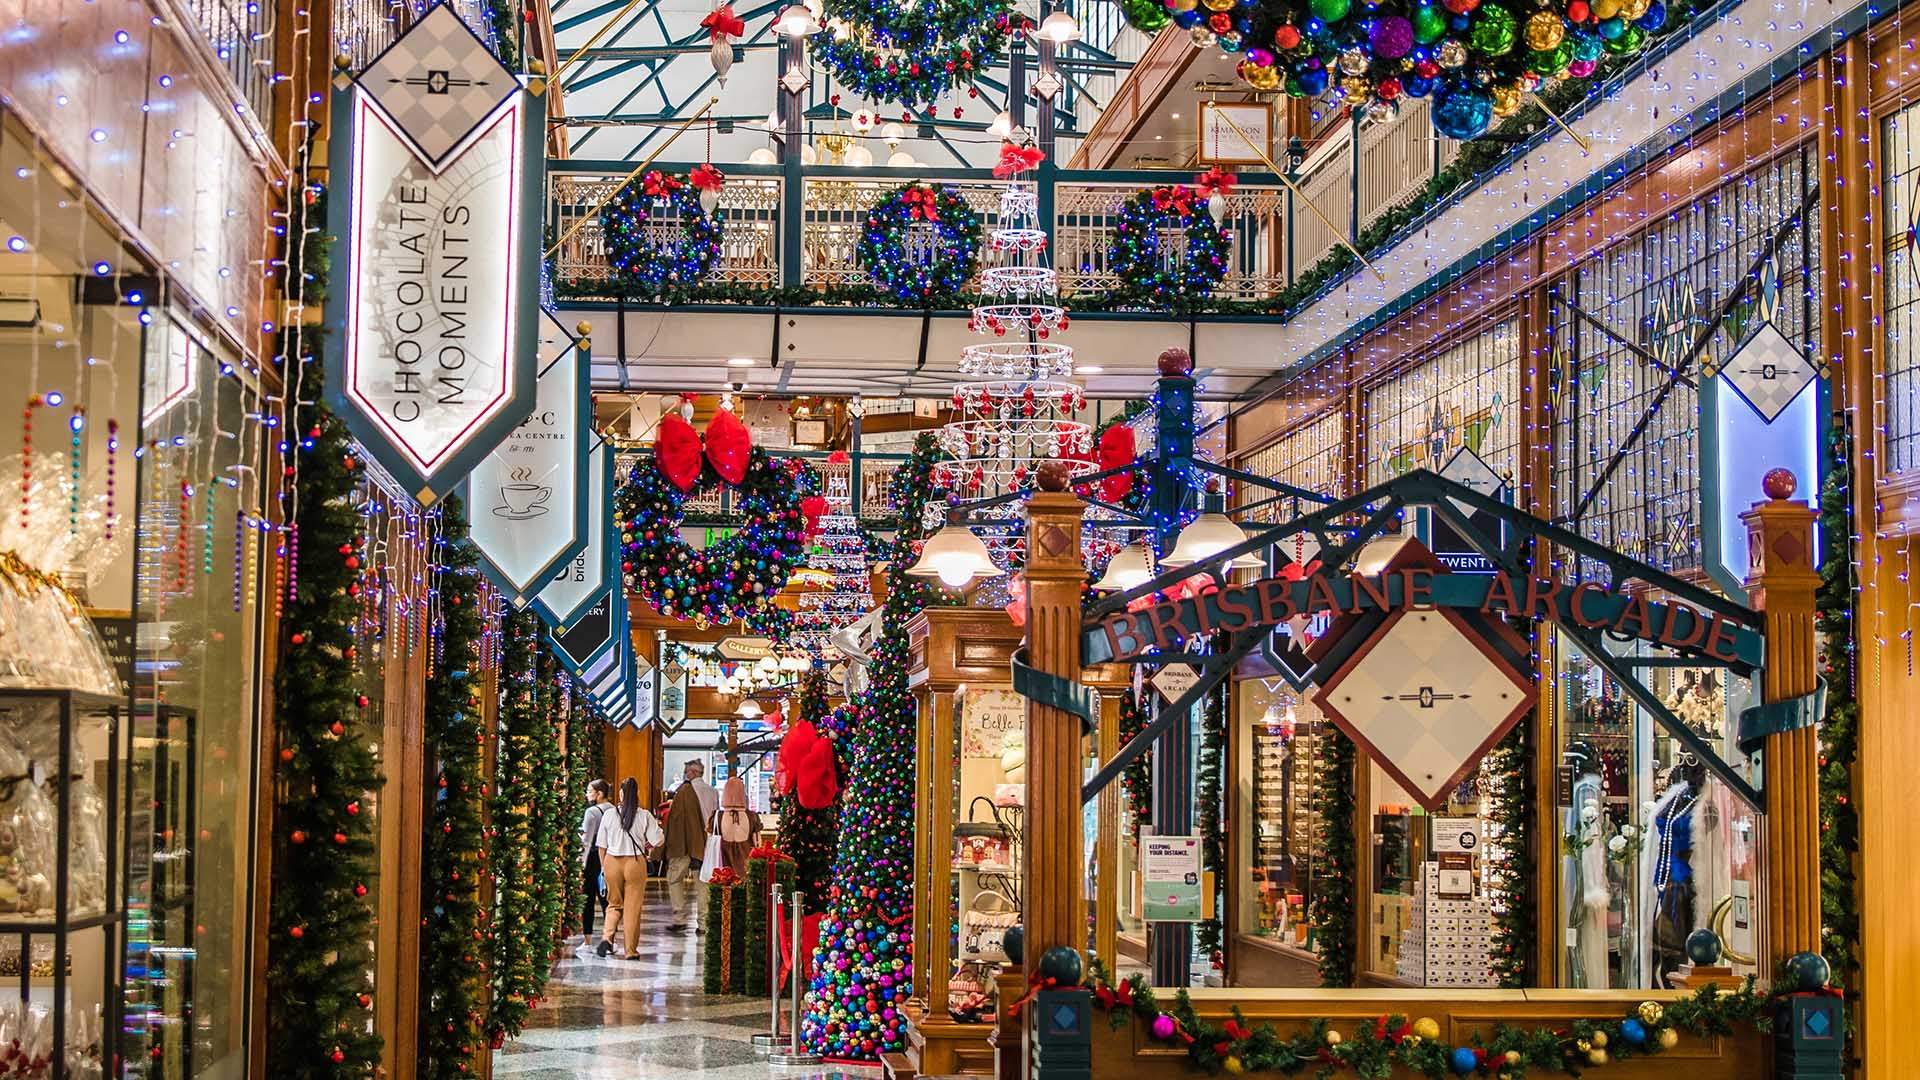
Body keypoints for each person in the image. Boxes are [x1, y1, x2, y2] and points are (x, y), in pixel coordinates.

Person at [595, 777, 664, 959]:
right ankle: (630, 951)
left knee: (613, 904)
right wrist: (648, 844)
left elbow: (601, 845)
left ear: (621, 794)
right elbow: (658, 839)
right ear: (637, 795)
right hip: (634, 862)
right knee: (632, 908)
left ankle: (607, 938)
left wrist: (604, 866)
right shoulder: (644, 815)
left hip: (612, 861)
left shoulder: (609, 815)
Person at [663, 761, 710, 932]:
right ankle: (703, 923)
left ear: (691, 773)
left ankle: (679, 918)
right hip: (705, 844)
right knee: (702, 883)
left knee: (674, 879)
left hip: (684, 843)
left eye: (685, 771)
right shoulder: (712, 792)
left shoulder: (683, 791)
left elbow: (676, 820)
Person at [708, 776, 762, 879]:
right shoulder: (752, 817)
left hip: (722, 871)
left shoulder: (717, 817)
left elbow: (709, 842)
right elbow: (758, 844)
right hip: (746, 869)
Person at [579, 779, 611, 942]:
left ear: (599, 794)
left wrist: (581, 864)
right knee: (607, 899)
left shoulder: (592, 812)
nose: (587, 794)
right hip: (610, 857)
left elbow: (587, 840)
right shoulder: (614, 810)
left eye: (589, 791)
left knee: (588, 898)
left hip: (593, 858)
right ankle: (609, 938)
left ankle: (587, 940)